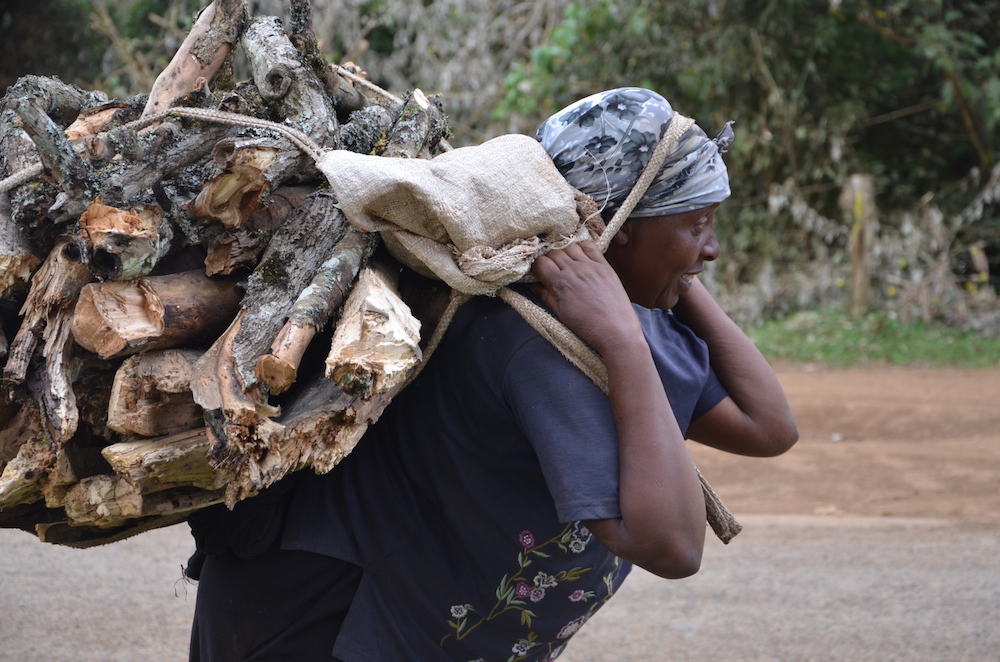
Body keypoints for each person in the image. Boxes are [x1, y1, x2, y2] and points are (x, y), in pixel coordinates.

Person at [185, 87, 798, 662]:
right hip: (323, 618)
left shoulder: (634, 323)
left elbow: (766, 426)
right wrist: (621, 328)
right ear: (623, 227)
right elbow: (673, 546)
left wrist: (664, 276)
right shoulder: (533, 340)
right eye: (696, 225)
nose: (713, 248)